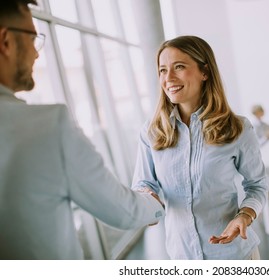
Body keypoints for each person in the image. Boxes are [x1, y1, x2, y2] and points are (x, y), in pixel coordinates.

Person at [0, 0, 165, 260]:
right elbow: (122, 210)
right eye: (33, 38)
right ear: (6, 41)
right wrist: (155, 205)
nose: (37, 53)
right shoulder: (49, 126)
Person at [131, 35, 267, 260]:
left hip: (234, 255)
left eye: (179, 67)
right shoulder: (151, 131)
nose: (169, 78)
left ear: (205, 72)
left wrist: (245, 216)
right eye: (163, 70)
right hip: (182, 255)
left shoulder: (237, 128)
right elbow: (143, 183)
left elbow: (257, 185)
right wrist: (146, 198)